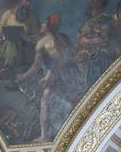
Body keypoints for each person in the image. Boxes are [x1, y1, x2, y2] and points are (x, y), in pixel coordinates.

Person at [16, 13, 83, 141]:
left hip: (59, 73)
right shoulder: (63, 38)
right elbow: (67, 56)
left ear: (47, 26)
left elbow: (36, 66)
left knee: (45, 100)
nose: (41, 25)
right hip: (72, 70)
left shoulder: (42, 43)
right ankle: (78, 129)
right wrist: (49, 74)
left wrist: (23, 76)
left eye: (44, 23)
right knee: (73, 99)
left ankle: (44, 135)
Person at [75, 0, 114, 87]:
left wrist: (87, 41)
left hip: (98, 55)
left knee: (97, 79)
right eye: (92, 2)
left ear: (100, 5)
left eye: (94, 2)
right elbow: (80, 39)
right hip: (86, 56)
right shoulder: (89, 21)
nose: (91, 5)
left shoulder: (103, 19)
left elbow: (104, 38)